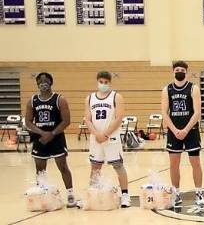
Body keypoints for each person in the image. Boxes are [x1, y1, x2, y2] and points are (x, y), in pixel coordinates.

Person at [25, 72, 76, 207]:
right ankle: (41, 193)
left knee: (63, 167)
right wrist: (42, 133)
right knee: (40, 169)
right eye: (40, 81)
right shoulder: (32, 101)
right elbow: (28, 122)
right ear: (37, 84)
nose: (43, 83)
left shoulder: (59, 99)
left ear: (51, 82)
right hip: (40, 138)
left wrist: (51, 134)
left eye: (45, 81)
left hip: (56, 137)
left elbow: (66, 121)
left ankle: (70, 194)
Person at [161, 60, 204, 207]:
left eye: (182, 69)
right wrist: (174, 130)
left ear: (186, 72)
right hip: (174, 132)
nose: (179, 71)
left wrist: (186, 129)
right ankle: (177, 193)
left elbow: (197, 112)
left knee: (196, 163)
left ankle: (199, 193)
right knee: (174, 164)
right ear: (173, 72)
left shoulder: (193, 88)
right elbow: (164, 113)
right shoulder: (167, 89)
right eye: (177, 69)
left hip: (191, 130)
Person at [84, 71, 130, 207]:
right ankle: (92, 194)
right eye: (101, 82)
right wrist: (96, 134)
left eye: (106, 82)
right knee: (95, 167)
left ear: (110, 83)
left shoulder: (116, 97)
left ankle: (125, 195)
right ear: (97, 81)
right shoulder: (90, 98)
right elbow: (87, 118)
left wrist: (105, 134)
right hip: (96, 138)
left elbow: (119, 118)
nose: (103, 84)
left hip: (112, 137)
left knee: (118, 166)